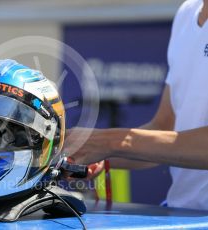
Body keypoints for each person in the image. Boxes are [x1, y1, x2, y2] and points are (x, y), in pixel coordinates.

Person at [64, 0, 208, 210]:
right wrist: (93, 153)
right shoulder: (187, 12)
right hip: (183, 211)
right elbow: (163, 128)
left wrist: (108, 143)